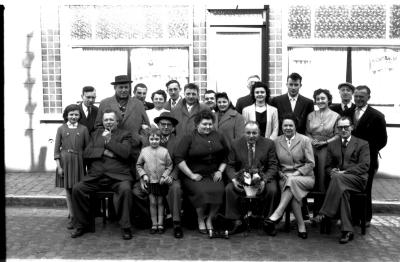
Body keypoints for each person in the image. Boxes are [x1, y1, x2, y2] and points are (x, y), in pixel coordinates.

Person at [71, 109, 135, 240]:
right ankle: (82, 225)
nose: (108, 122)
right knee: (78, 189)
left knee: (126, 189)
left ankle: (125, 227)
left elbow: (125, 153)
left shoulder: (125, 134)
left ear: (117, 121)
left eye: (111, 119)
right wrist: (104, 152)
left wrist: (109, 141)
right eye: (106, 120)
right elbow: (87, 153)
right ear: (103, 122)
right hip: (97, 176)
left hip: (118, 176)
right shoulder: (95, 134)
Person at [315, 116, 370, 244]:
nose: (343, 130)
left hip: (357, 179)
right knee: (343, 191)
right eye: (340, 127)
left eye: (346, 127)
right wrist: (331, 171)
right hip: (339, 182)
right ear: (337, 129)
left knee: (338, 178)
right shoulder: (333, 144)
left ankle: (324, 212)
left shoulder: (362, 143)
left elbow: (364, 166)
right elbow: (328, 166)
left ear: (352, 127)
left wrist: (343, 172)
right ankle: (347, 231)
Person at [174, 109, 229, 234]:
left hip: (213, 174)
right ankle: (200, 219)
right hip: (194, 175)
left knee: (219, 190)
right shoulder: (188, 138)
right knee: (202, 192)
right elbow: (179, 158)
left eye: (210, 124)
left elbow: (226, 156)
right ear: (197, 124)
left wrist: (220, 171)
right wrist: (191, 175)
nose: (208, 127)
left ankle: (209, 219)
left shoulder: (219, 136)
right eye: (204, 124)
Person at [134, 112, 184, 238]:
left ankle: (176, 222)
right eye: (162, 124)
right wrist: (142, 177)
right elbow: (140, 161)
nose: (165, 127)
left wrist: (171, 176)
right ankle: (150, 220)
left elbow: (179, 161)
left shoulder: (178, 141)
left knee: (175, 189)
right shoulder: (150, 138)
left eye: (169, 125)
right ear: (158, 125)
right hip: (150, 176)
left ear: (173, 127)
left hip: (170, 174)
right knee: (137, 191)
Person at [265, 113, 315, 239]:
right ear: (282, 127)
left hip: (305, 177)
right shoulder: (276, 141)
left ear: (295, 126)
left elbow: (311, 163)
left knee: (291, 183)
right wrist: (281, 173)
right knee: (292, 192)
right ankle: (301, 226)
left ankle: (277, 213)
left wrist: (296, 173)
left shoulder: (305, 140)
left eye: (290, 125)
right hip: (284, 178)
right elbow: (274, 163)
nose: (288, 128)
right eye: (285, 125)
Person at [225, 121, 279, 235]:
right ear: (244, 133)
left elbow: (273, 165)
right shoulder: (235, 144)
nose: (251, 136)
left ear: (259, 133)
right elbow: (230, 165)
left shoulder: (269, 144)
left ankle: (268, 221)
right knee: (229, 189)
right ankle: (236, 221)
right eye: (248, 133)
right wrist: (234, 179)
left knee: (272, 190)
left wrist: (264, 180)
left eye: (254, 133)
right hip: (242, 177)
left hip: (263, 176)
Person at [351, 85, 387, 225]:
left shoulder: (377, 116)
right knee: (352, 186)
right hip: (350, 158)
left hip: (368, 159)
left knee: (366, 187)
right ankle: (353, 217)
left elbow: (382, 140)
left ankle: (365, 217)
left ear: (368, 98)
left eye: (362, 96)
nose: (358, 99)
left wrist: (368, 152)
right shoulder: (349, 112)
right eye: (356, 96)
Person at [54, 104, 90, 230]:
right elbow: (56, 150)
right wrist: (59, 166)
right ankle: (73, 216)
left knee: (77, 190)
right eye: (71, 114)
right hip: (65, 163)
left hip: (79, 162)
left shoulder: (84, 129)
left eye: (76, 114)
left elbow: (88, 149)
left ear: (79, 116)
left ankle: (79, 216)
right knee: (68, 191)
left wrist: (86, 166)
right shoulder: (61, 129)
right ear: (66, 115)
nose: (73, 117)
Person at [136, 128, 173, 234]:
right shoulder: (144, 151)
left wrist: (164, 176)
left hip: (161, 182)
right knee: (152, 202)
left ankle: (160, 223)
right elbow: (138, 165)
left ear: (160, 139)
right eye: (152, 139)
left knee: (161, 202)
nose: (154, 141)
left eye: (156, 139)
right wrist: (143, 175)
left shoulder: (164, 151)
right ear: (148, 139)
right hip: (150, 181)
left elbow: (169, 166)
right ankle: (154, 224)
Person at [306, 89, 340, 192]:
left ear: (328, 100)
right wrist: (312, 140)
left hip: (327, 148)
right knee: (311, 173)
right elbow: (307, 132)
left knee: (323, 175)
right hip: (312, 147)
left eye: (323, 98)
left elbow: (338, 134)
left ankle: (323, 203)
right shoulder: (311, 115)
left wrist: (325, 142)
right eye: (318, 99)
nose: (320, 101)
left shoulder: (336, 116)